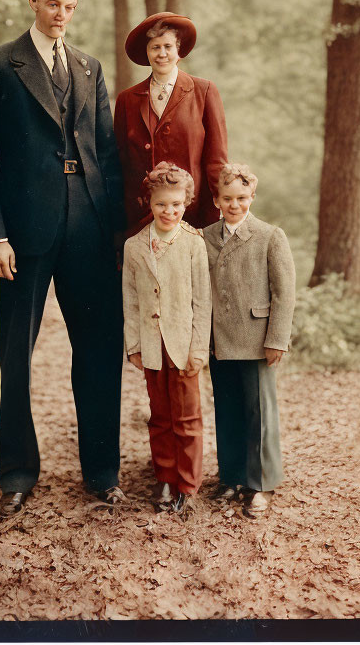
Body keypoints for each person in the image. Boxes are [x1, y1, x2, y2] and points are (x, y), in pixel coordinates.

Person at [0, 0, 126, 518]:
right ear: (33, 3)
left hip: (90, 227)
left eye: (70, 6)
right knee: (16, 355)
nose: (61, 14)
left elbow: (106, 152)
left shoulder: (88, 67)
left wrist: (117, 232)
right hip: (23, 232)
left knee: (100, 351)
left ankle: (103, 473)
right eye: (53, 4)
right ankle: (16, 473)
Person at [203, 163, 296, 519]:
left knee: (259, 411)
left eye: (242, 198)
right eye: (228, 198)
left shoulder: (270, 236)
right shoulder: (206, 236)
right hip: (219, 338)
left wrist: (277, 339)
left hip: (256, 338)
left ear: (252, 197)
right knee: (227, 409)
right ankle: (232, 477)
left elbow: (284, 294)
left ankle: (261, 483)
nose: (235, 204)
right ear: (216, 199)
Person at [122, 162, 211, 514]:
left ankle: (188, 484)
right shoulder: (134, 246)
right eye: (161, 204)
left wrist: (198, 348)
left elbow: (202, 301)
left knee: (187, 417)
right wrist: (134, 345)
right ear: (149, 203)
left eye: (176, 204)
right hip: (152, 342)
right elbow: (130, 300)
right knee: (159, 415)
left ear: (186, 202)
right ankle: (165, 477)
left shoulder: (193, 243)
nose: (169, 211)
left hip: (183, 343)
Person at [113, 12, 228, 239]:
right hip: (141, 217)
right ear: (147, 53)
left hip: (192, 215)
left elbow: (216, 159)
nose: (162, 54)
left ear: (179, 51)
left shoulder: (203, 92)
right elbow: (120, 162)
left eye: (168, 46)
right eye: (155, 47)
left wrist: (218, 209)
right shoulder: (128, 99)